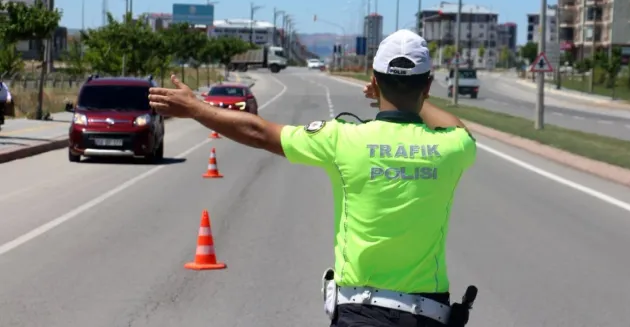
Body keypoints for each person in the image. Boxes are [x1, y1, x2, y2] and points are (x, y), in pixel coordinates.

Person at [148, 29, 477, 326]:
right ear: (428, 86)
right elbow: (459, 128)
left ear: (374, 82)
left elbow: (258, 131)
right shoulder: (450, 147)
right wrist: (415, 103)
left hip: (360, 315)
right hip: (428, 317)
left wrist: (196, 108)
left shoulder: (343, 139)